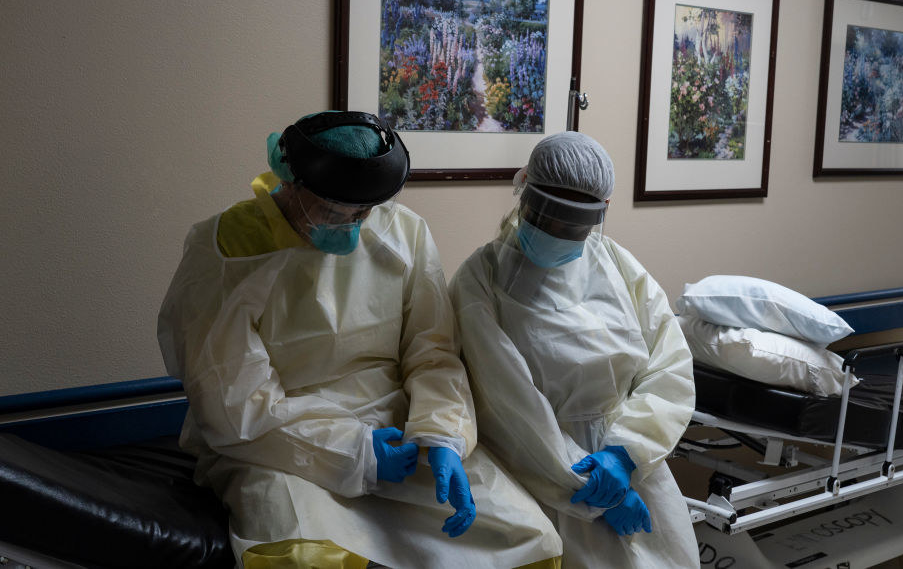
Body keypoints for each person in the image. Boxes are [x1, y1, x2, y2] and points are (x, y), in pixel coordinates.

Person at [158, 111, 562, 569]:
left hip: (397, 432)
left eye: (365, 212)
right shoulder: (232, 249)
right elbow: (234, 406)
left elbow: (433, 354)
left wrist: (443, 436)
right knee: (304, 556)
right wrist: (354, 453)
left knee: (529, 538)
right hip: (277, 446)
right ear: (290, 183)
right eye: (335, 212)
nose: (353, 225)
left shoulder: (402, 231)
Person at [448, 131, 698, 568]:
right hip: (541, 473)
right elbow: (512, 409)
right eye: (549, 217)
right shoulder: (480, 279)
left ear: (601, 214)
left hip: (632, 464)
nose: (561, 233)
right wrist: (593, 491)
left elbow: (669, 366)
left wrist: (625, 455)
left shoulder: (616, 264)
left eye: (576, 224)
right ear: (523, 191)